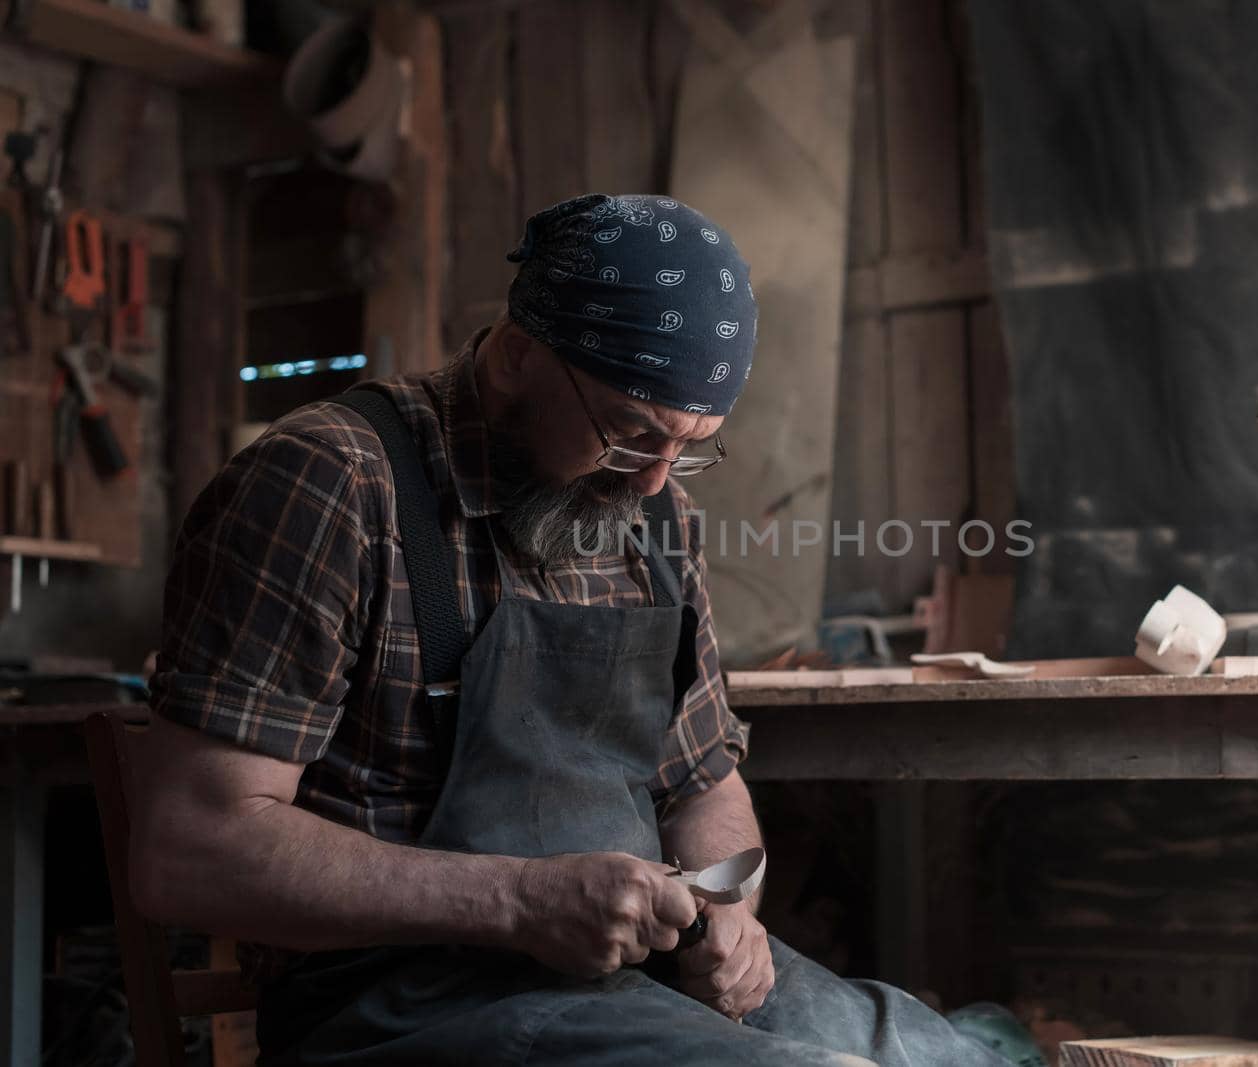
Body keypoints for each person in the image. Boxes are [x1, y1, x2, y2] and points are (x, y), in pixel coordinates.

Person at [136, 194, 1011, 1066]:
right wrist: (518, 901)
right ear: (518, 355)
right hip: (403, 1003)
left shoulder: (659, 516)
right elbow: (190, 845)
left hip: (635, 979)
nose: (652, 483)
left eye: (692, 445)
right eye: (630, 434)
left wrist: (732, 910)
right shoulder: (332, 485)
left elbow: (705, 784)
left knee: (958, 1059)